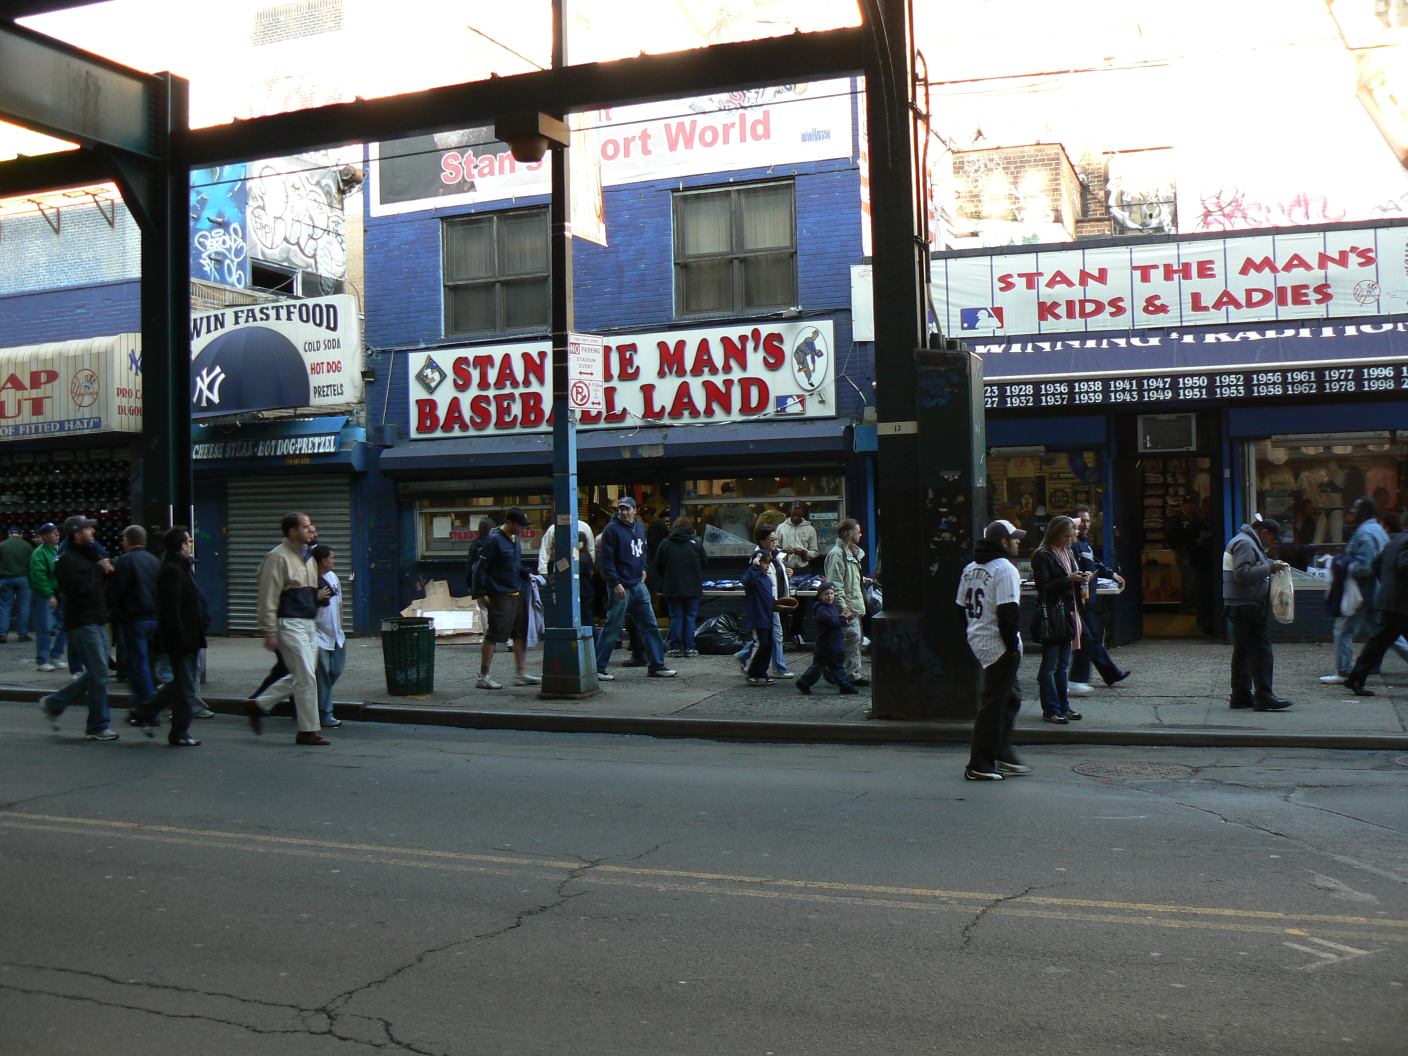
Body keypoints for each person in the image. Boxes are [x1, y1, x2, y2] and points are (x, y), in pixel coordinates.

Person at [247, 512, 332, 745]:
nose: (311, 529)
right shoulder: (277, 557)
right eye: (306, 526)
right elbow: (268, 596)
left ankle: (259, 704)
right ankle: (307, 730)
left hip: (307, 623)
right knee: (306, 676)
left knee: (303, 676)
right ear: (293, 532)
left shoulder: (307, 557)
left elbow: (309, 592)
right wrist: (269, 630)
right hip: (289, 623)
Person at [956, 520, 1030, 781]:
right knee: (993, 706)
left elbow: (959, 608)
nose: (1018, 542)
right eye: (1015, 538)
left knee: (1011, 698)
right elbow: (1008, 613)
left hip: (980, 639)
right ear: (1003, 542)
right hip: (999, 645)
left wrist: (973, 632)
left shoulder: (970, 568)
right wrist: (1011, 649)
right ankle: (980, 763)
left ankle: (1001, 752)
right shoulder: (1005, 570)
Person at [38, 516, 118, 741]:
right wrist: (98, 569)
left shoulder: (91, 553)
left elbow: (107, 572)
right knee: (100, 674)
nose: (92, 531)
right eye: (87, 529)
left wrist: (105, 567)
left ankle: (55, 703)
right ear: (76, 533)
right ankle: (98, 725)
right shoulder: (66, 560)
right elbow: (77, 588)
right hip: (82, 622)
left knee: (97, 673)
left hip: (97, 619)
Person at [128, 527, 206, 747]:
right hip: (182, 638)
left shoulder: (182, 566)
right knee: (187, 687)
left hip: (190, 635)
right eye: (189, 541)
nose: (191, 544)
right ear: (182, 545)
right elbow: (170, 610)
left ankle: (143, 711)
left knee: (181, 683)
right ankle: (179, 732)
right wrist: (180, 638)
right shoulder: (172, 570)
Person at [1320, 498, 1408, 685]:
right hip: (1375, 591)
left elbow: (1365, 566)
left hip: (1360, 593)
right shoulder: (1377, 530)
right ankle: (1371, 667)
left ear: (1363, 511)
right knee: (1385, 633)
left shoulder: (1365, 533)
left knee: (1344, 629)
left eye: (1355, 509)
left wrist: (1341, 564)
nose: (1352, 513)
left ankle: (1343, 671)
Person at [595, 497, 675, 680]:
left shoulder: (639, 527)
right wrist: (615, 583)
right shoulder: (611, 529)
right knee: (612, 627)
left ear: (634, 510)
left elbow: (642, 550)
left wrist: (644, 568)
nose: (623, 512)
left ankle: (657, 665)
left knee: (650, 624)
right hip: (620, 586)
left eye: (627, 509)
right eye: (621, 509)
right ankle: (599, 668)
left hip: (637, 583)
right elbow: (606, 560)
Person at [1222, 515, 1293, 711]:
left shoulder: (1246, 541)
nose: (1274, 542)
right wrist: (1270, 567)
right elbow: (1243, 574)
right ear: (1265, 532)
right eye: (1273, 538)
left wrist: (1269, 563)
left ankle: (1240, 696)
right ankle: (1263, 695)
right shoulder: (1245, 543)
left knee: (1243, 651)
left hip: (1241, 603)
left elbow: (1250, 566)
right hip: (1247, 604)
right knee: (1261, 650)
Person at [471, 508, 540, 690]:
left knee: (520, 633)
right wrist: (481, 593)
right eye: (519, 525)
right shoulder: (494, 540)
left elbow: (513, 565)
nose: (522, 529)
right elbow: (480, 567)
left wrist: (525, 573)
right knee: (495, 633)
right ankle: (483, 676)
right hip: (500, 594)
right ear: (509, 522)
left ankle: (521, 673)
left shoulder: (515, 539)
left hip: (516, 592)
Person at [1344, 513, 1408, 696]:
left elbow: (1376, 565)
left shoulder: (1394, 541)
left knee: (1378, 642)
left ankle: (1355, 677)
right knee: (1379, 642)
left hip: (1392, 600)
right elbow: (1405, 566)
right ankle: (1355, 677)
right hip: (1401, 604)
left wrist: (1388, 586)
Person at [1067, 506, 1129, 695]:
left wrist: (1112, 574)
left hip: (1089, 600)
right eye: (1081, 521)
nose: (1085, 524)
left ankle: (1110, 674)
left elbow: (1095, 564)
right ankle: (1077, 679)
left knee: (1091, 639)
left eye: (1087, 520)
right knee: (1088, 639)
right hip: (1080, 602)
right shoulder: (1072, 545)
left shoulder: (1085, 544)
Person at [1031, 515, 1085, 724]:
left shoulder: (1068, 552)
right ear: (1055, 534)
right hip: (1053, 613)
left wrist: (1080, 577)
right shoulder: (1043, 555)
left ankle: (1064, 706)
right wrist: (1067, 579)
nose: (1068, 540)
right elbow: (1043, 588)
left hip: (1068, 611)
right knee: (1051, 664)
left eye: (1070, 536)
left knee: (1063, 664)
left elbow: (1069, 580)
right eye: (1065, 536)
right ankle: (1051, 709)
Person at [107, 525, 162, 718]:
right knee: (142, 664)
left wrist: (111, 611)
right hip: (153, 619)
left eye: (123, 539)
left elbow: (115, 591)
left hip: (133, 619)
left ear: (128, 541)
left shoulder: (124, 562)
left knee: (138, 667)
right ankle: (137, 708)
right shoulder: (154, 561)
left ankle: (149, 710)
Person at [654, 515, 706, 657]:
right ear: (690, 528)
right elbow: (705, 561)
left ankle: (675, 647)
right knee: (690, 616)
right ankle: (689, 647)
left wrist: (666, 578)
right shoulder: (695, 543)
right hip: (692, 587)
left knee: (676, 616)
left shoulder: (666, 543)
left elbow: (658, 564)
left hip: (672, 586)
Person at [825, 519, 867, 686]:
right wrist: (842, 607)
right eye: (858, 531)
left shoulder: (853, 553)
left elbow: (850, 578)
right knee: (852, 637)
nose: (861, 534)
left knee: (856, 639)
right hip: (848, 605)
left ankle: (852, 673)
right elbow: (835, 583)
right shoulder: (838, 554)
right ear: (849, 534)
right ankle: (840, 671)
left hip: (855, 603)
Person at [794, 580, 855, 696]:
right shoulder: (821, 609)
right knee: (818, 668)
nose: (830, 596)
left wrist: (843, 618)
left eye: (831, 593)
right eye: (826, 594)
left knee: (836, 667)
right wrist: (843, 619)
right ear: (820, 596)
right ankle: (804, 683)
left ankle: (845, 686)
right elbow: (830, 621)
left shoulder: (831, 607)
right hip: (826, 645)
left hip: (833, 644)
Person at [776, 502, 819, 648]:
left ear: (803, 515)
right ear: (789, 512)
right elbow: (774, 549)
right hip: (785, 569)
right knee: (784, 602)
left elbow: (815, 552)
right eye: (794, 514)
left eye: (799, 515)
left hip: (803, 570)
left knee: (801, 605)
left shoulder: (810, 529)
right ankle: (782, 634)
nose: (796, 518)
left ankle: (797, 633)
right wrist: (783, 552)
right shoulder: (781, 528)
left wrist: (804, 553)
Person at [313, 544, 347, 727]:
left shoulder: (333, 577)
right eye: (332, 558)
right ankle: (326, 713)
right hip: (317, 634)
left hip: (336, 634)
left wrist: (341, 624)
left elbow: (339, 602)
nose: (334, 561)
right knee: (323, 674)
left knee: (336, 669)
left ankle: (311, 699)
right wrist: (315, 597)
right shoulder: (309, 579)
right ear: (324, 561)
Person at [740, 529, 778, 686]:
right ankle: (750, 670)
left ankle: (762, 672)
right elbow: (746, 580)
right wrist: (755, 566)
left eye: (768, 563)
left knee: (768, 645)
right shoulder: (753, 575)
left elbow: (769, 597)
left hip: (767, 615)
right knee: (760, 644)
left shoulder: (766, 579)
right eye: (764, 562)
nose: (767, 565)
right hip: (757, 616)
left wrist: (776, 606)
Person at [28, 522, 64, 672]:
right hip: (45, 594)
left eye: (57, 531)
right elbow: (38, 577)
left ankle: (55, 655)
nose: (56, 534)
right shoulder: (39, 553)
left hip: (59, 593)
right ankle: (42, 661)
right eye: (52, 532)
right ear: (44, 536)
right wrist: (49, 595)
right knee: (45, 627)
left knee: (66, 624)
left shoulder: (59, 550)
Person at [0, 524, 34, 643]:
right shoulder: (27, 545)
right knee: (24, 607)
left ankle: (2, 634)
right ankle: (23, 634)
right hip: (24, 579)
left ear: (9, 533)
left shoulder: (2, 545)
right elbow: (33, 564)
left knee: (5, 606)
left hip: (6, 579)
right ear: (21, 534)